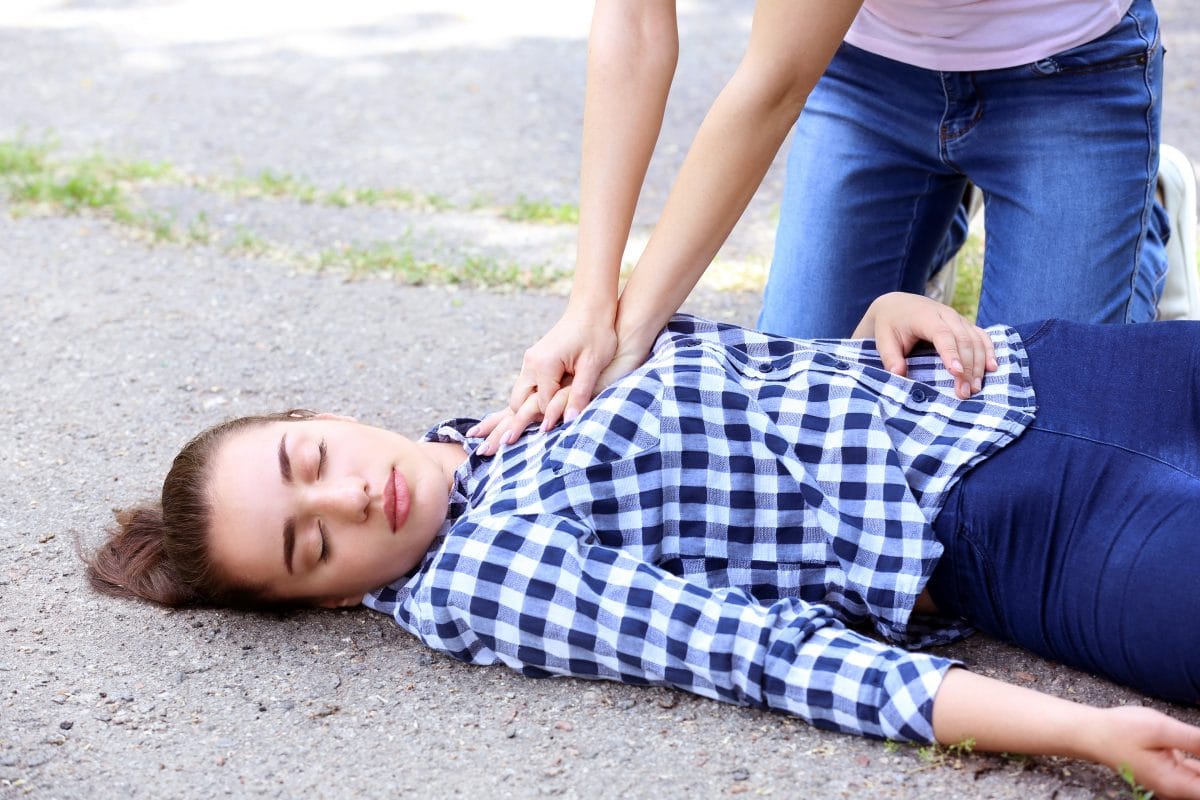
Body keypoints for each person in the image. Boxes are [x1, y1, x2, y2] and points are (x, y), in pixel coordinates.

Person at [88, 293, 1200, 798]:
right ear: (329, 603)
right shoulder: (484, 574)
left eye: (305, 458)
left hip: (1024, 369)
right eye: (309, 546)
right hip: (1039, 530)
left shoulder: (501, 420)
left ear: (314, 412)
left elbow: (751, 388)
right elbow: (767, 656)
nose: (345, 497)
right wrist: (1080, 731)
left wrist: (881, 313)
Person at [486, 0, 1200, 454]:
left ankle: (1142, 220)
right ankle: (926, 224)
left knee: (1039, 447)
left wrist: (635, 329)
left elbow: (771, 85)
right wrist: (591, 307)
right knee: (795, 428)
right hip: (866, 72)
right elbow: (635, 24)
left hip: (1065, 72)